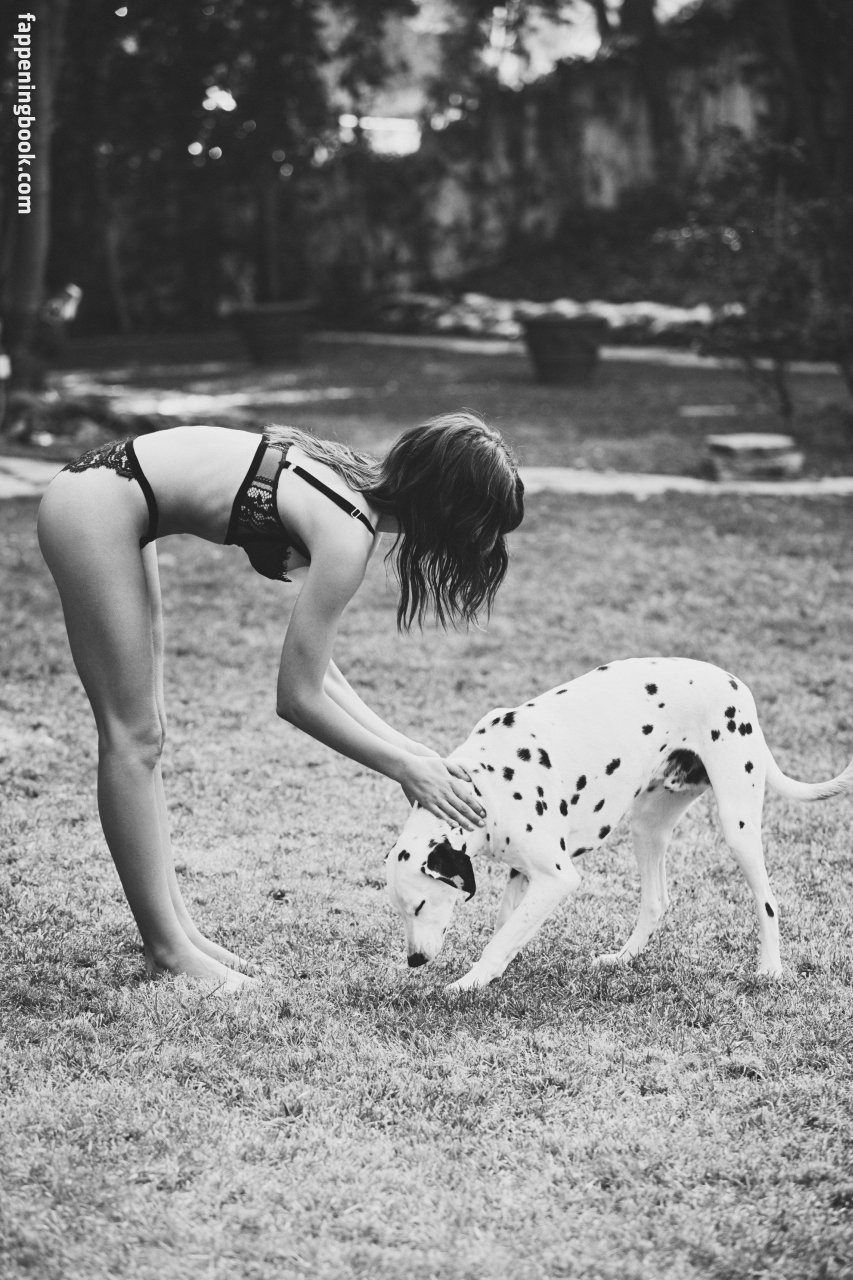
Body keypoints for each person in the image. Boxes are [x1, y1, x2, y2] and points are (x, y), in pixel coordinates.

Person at [37, 414, 525, 990]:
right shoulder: (348, 532)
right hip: (97, 506)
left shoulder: (352, 489)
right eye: (484, 527)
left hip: (116, 496)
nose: (485, 545)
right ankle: (166, 951)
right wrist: (401, 768)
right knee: (132, 736)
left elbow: (321, 673)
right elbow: (297, 698)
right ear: (450, 507)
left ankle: (180, 935)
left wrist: (411, 752)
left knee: (149, 735)